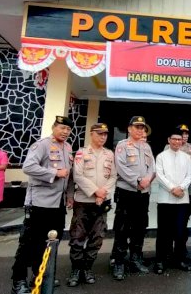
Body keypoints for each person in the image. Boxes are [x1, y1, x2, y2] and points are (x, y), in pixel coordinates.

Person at [10, 116, 74, 294]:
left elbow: (69, 174)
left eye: (68, 129)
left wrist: (69, 195)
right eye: (62, 128)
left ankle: (41, 274)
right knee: (29, 243)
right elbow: (28, 167)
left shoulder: (68, 148)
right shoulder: (42, 145)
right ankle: (18, 279)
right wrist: (54, 172)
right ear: (54, 127)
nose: (65, 132)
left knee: (52, 240)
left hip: (58, 204)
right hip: (39, 203)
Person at [67, 123, 117, 287]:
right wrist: (96, 191)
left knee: (97, 238)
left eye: (105, 134)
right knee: (77, 237)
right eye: (99, 134)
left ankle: (87, 268)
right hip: (84, 202)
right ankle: (76, 269)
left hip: (102, 202)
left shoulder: (109, 154)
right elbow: (78, 176)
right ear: (91, 134)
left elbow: (113, 176)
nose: (103, 137)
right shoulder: (82, 153)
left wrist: (103, 194)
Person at [111, 116, 155, 280]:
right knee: (123, 227)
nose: (140, 130)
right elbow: (120, 166)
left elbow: (152, 167)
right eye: (137, 127)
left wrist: (147, 180)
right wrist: (137, 180)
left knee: (140, 226)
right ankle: (119, 262)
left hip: (143, 193)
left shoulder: (146, 147)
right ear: (129, 129)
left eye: (142, 127)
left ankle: (136, 258)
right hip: (127, 192)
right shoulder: (122, 146)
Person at [153, 127, 191, 274]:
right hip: (165, 199)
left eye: (179, 139)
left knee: (180, 231)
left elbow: (190, 175)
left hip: (182, 200)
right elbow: (159, 175)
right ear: (169, 140)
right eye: (174, 139)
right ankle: (161, 261)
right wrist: (172, 188)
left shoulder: (186, 157)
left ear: (182, 141)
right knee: (164, 232)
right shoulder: (161, 156)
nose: (177, 141)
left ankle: (179, 259)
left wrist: (181, 187)